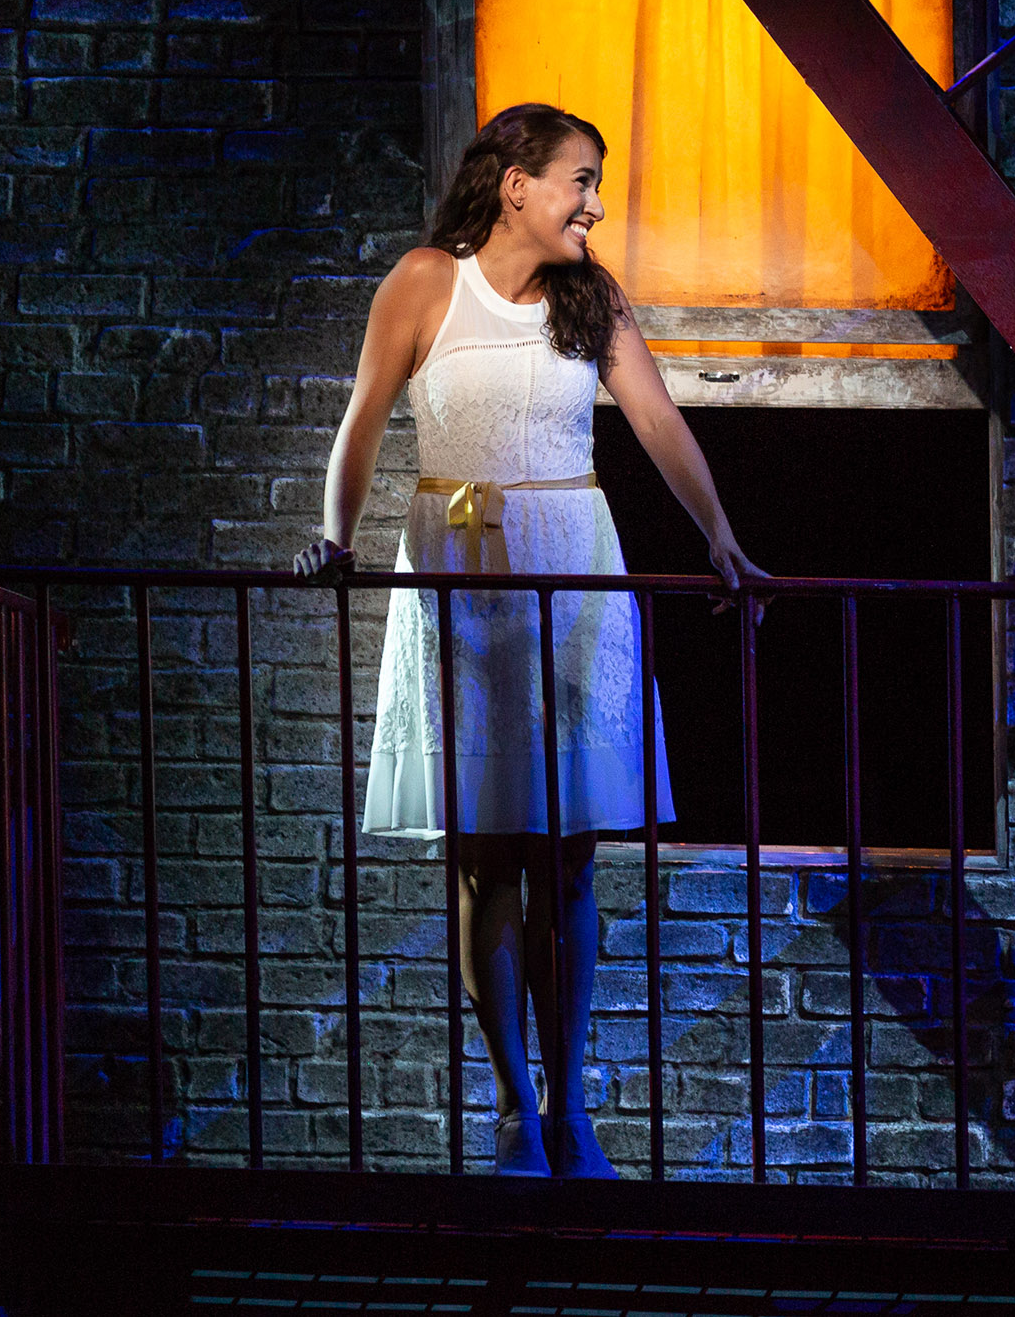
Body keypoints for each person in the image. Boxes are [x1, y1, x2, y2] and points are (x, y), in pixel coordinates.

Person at [297, 103, 766, 1180]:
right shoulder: (424, 281)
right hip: (463, 576)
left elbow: (655, 419)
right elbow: (363, 419)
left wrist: (722, 538)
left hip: (574, 574)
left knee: (566, 857)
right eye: (580, 179)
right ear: (514, 182)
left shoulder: (589, 298)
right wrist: (333, 534)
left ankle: (571, 1104)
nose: (595, 203)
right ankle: (513, 1107)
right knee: (486, 859)